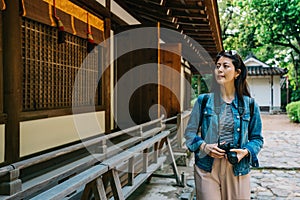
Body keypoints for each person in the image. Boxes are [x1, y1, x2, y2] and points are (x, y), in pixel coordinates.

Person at [184, 50, 264, 200]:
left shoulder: (250, 105)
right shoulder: (204, 101)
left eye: (225, 66)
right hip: (207, 166)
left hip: (237, 167)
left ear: (237, 72)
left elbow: (257, 139)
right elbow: (189, 134)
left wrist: (245, 152)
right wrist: (204, 146)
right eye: (218, 66)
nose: (219, 69)